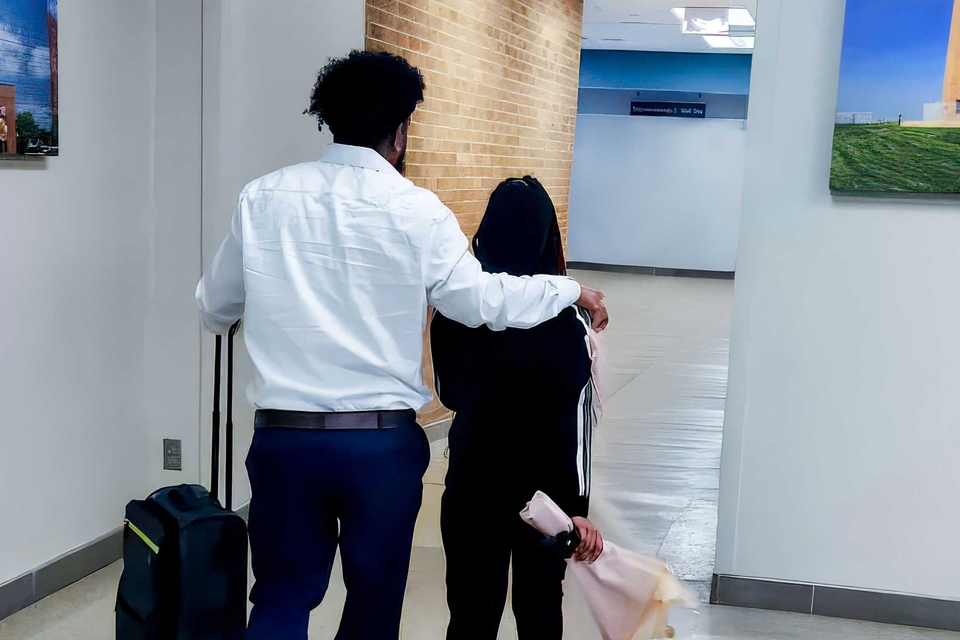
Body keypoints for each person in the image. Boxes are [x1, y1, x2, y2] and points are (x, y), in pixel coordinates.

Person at [195, 50, 608, 640]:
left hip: (285, 441)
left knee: (282, 595)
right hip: (379, 447)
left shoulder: (262, 197)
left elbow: (214, 306)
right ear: (401, 131)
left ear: (330, 119)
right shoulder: (418, 211)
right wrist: (569, 289)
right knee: (374, 600)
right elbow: (481, 301)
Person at [431, 176, 604, 640]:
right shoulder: (567, 323)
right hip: (544, 500)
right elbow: (575, 427)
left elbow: (449, 393)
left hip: (472, 484)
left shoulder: (455, 312)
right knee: (540, 612)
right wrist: (577, 508)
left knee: (470, 616)